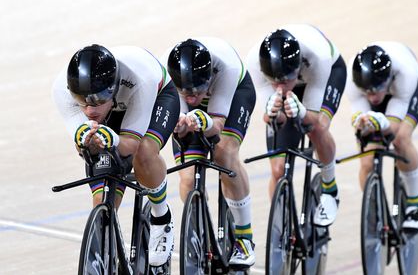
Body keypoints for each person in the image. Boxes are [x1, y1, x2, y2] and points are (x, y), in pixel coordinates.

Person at [52, 44, 180, 267]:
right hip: (115, 108)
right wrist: (85, 141)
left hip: (156, 97)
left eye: (99, 99)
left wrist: (115, 140)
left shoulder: (142, 78)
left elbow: (130, 145)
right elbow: (83, 146)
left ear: (113, 87)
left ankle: (162, 216)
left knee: (143, 152)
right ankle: (109, 256)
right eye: (83, 101)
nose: (91, 110)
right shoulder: (61, 90)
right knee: (101, 199)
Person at [162, 38, 256, 269]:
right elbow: (179, 113)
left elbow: (217, 126)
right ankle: (199, 232)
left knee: (224, 153)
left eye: (196, 90)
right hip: (196, 107)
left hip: (234, 98)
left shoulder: (226, 67)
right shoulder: (169, 71)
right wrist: (180, 125)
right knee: (187, 175)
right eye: (186, 92)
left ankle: (244, 238)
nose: (192, 97)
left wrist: (205, 121)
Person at [247, 24, 347, 226]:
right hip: (296, 78)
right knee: (277, 169)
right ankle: (281, 227)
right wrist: (275, 113)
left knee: (318, 128)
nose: (281, 87)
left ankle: (330, 189)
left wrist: (301, 112)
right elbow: (270, 119)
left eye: (285, 80)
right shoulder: (254, 63)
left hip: (326, 75)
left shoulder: (317, 57)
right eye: (275, 82)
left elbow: (313, 118)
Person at [347, 42, 418, 232]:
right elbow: (359, 118)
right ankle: (375, 210)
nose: (373, 97)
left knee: (400, 139)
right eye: (368, 92)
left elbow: (392, 126)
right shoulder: (353, 80)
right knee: (367, 160)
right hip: (380, 89)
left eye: (376, 90)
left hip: (408, 92)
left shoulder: (405, 73)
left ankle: (415, 207)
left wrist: (381, 124)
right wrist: (363, 124)